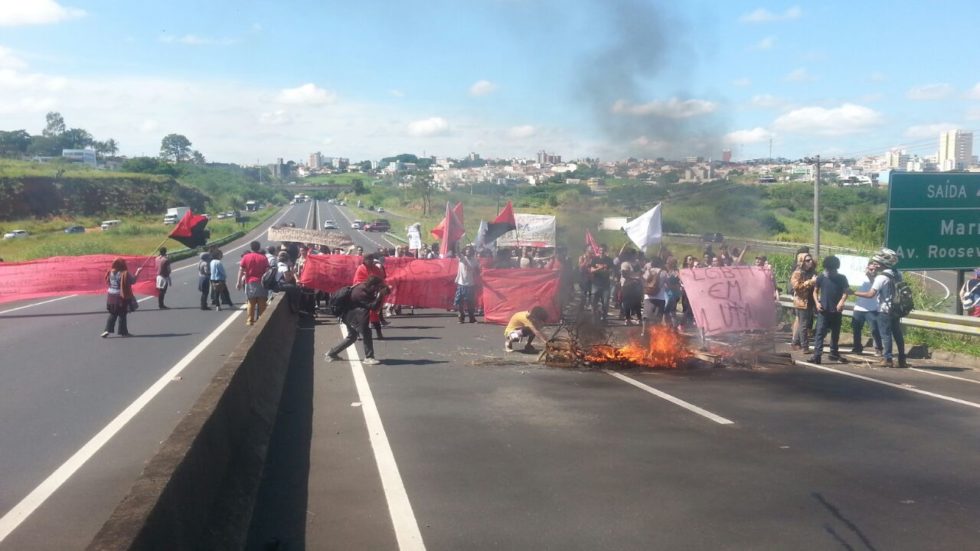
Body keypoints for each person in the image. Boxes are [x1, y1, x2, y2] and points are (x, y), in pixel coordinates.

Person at [854, 249, 907, 368]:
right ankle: (902, 359)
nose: (876, 265)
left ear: (883, 263)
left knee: (886, 334)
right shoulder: (898, 273)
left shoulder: (881, 277)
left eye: (877, 263)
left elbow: (870, 294)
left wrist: (853, 292)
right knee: (898, 334)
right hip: (896, 308)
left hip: (885, 310)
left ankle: (887, 358)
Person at [325, 275, 389, 365]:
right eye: (377, 287)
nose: (377, 289)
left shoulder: (364, 287)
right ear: (373, 285)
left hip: (350, 315)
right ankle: (369, 357)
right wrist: (380, 296)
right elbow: (373, 307)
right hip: (352, 315)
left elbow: (374, 304)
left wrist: (383, 292)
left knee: (352, 337)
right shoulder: (361, 293)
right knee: (366, 333)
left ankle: (331, 353)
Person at [808, 255, 849, 364]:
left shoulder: (842, 278)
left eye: (832, 269)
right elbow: (815, 291)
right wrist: (817, 303)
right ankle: (817, 355)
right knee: (820, 333)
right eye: (828, 269)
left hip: (836, 311)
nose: (829, 271)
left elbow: (846, 292)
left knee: (835, 334)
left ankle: (833, 353)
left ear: (836, 268)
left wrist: (841, 301)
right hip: (823, 310)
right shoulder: (821, 277)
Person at [102, 258, 140, 338]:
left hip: (111, 296)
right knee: (122, 314)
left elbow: (108, 281)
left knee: (113, 313)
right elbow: (133, 281)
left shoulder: (110, 272)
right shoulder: (124, 273)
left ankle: (107, 330)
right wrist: (138, 272)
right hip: (121, 296)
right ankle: (123, 332)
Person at [851, 260, 883, 355]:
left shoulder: (878, 278)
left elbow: (874, 287)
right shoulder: (860, 276)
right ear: (867, 267)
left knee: (874, 329)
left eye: (874, 269)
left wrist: (870, 275)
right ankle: (857, 347)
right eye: (871, 268)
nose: (872, 270)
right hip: (859, 308)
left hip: (872, 309)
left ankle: (879, 348)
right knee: (856, 329)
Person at [353, 253, 387, 338]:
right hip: (363, 294)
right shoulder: (360, 269)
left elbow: (381, 280)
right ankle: (358, 334)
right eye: (369, 259)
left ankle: (379, 333)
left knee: (374, 314)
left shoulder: (376, 269)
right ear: (364, 260)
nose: (371, 261)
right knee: (361, 314)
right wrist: (369, 285)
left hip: (373, 294)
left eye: (372, 259)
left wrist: (382, 288)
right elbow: (358, 281)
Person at [237, 241, 270, 326]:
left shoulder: (246, 257)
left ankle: (250, 320)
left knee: (251, 302)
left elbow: (241, 270)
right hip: (261, 282)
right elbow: (267, 271)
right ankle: (261, 320)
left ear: (251, 248)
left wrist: (239, 282)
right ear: (259, 247)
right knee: (262, 302)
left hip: (250, 282)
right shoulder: (263, 258)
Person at [790, 252, 817, 352]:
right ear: (802, 262)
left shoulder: (811, 272)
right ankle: (804, 346)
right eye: (807, 260)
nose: (810, 262)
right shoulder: (798, 272)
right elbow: (796, 287)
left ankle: (795, 343)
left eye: (810, 260)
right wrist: (810, 282)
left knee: (802, 323)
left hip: (809, 301)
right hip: (801, 301)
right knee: (803, 325)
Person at [454, 245, 480, 323]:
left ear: (472, 251)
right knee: (459, 302)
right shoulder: (462, 258)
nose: (467, 251)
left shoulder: (475, 260)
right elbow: (457, 251)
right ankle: (461, 316)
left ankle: (472, 318)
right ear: (464, 251)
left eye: (469, 250)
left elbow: (478, 270)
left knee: (470, 303)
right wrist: (457, 242)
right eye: (466, 250)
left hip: (470, 284)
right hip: (461, 284)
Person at [590, 244, 614, 322]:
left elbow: (611, 271)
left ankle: (604, 317)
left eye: (603, 250)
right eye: (600, 250)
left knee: (606, 302)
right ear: (598, 251)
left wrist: (604, 270)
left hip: (605, 285)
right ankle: (594, 317)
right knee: (594, 302)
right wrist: (601, 268)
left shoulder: (609, 260)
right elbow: (592, 270)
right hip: (596, 284)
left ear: (605, 251)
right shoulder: (594, 259)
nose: (601, 252)